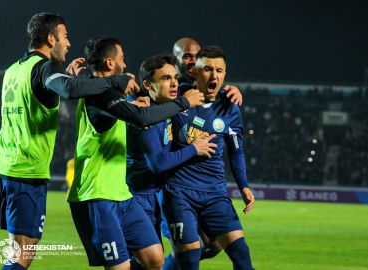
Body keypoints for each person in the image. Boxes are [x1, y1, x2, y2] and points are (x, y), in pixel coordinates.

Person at [0, 13, 131, 270]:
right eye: (65, 37)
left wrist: (69, 77)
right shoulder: (44, 67)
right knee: (21, 253)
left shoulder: (14, 69)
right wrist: (116, 80)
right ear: (51, 38)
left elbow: (49, 90)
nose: (69, 43)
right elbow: (70, 90)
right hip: (24, 175)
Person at [67, 36, 205, 270]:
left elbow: (136, 106)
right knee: (120, 267)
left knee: (155, 258)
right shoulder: (100, 95)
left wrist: (135, 102)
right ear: (110, 63)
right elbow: (141, 118)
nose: (125, 64)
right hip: (97, 195)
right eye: (122, 59)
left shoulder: (107, 91)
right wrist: (183, 103)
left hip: (122, 195)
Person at [163, 46, 255, 270]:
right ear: (195, 72)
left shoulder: (230, 108)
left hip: (214, 192)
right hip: (179, 191)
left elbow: (236, 150)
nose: (214, 76)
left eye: (220, 71)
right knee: (190, 257)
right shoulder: (177, 96)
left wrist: (243, 185)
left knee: (241, 254)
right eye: (208, 69)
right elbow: (154, 86)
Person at [126, 54, 217, 240]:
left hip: (154, 196)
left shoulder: (166, 108)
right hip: (136, 198)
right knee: (149, 260)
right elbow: (158, 163)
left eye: (175, 77)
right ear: (148, 85)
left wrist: (228, 91)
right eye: (166, 79)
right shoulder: (145, 115)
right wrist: (194, 148)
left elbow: (200, 86)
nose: (175, 83)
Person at [173, 37, 242, 105]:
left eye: (198, 57)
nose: (194, 61)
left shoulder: (207, 89)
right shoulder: (166, 90)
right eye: (187, 56)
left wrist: (228, 92)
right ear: (174, 60)